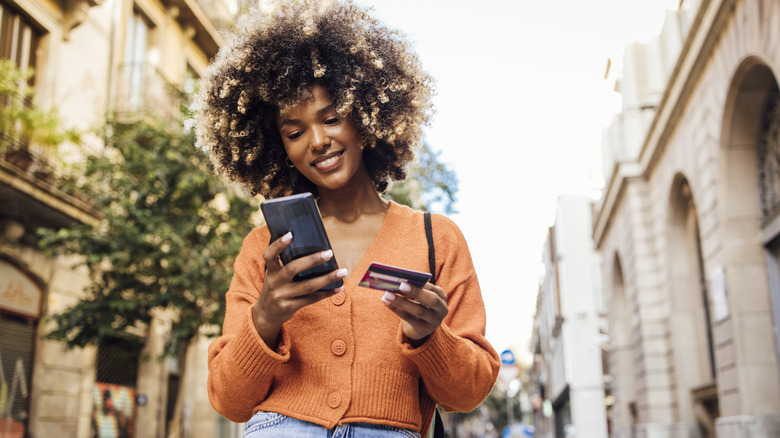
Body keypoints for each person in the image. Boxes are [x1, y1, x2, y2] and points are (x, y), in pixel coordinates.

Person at [194, 0, 500, 436]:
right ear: (277, 145)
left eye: (332, 118)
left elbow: (466, 394)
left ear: (366, 115)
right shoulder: (263, 248)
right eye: (294, 131)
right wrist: (264, 317)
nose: (318, 141)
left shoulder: (437, 238)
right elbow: (229, 401)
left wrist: (432, 336)